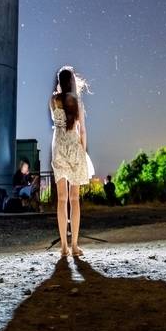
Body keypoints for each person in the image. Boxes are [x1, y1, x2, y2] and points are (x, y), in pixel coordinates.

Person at [50, 64, 93, 257]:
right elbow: (82, 130)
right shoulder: (77, 103)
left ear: (60, 82)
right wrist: (83, 152)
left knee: (61, 199)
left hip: (59, 148)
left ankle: (64, 248)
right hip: (75, 148)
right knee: (74, 200)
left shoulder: (53, 100)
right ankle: (75, 246)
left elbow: (57, 122)